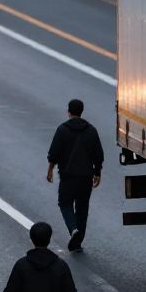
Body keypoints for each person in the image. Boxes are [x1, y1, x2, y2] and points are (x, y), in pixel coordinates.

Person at [47, 98, 104, 252]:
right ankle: (78, 241)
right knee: (82, 207)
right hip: (86, 177)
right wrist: (97, 172)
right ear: (81, 111)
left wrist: (50, 168)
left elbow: (54, 152)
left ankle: (73, 230)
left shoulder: (62, 129)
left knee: (65, 203)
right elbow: (98, 154)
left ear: (69, 111)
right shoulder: (91, 130)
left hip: (68, 176)